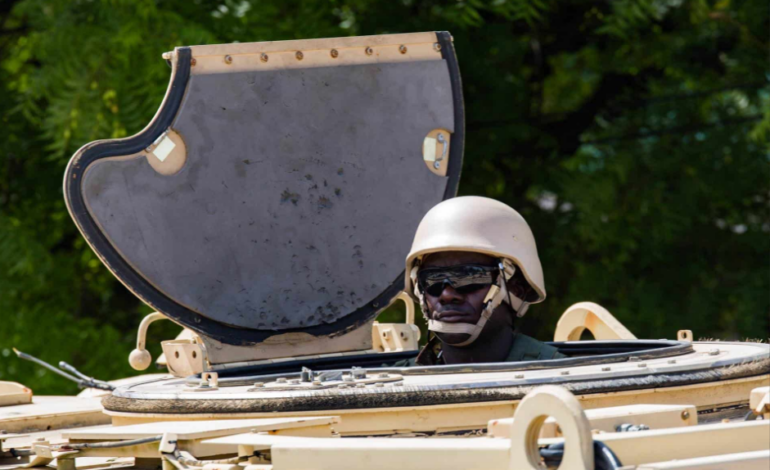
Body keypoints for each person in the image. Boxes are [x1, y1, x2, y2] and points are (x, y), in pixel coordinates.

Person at [404, 196, 565, 365]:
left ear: (517, 289)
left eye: (470, 276)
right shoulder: (392, 380)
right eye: (432, 280)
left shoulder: (566, 379)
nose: (447, 294)